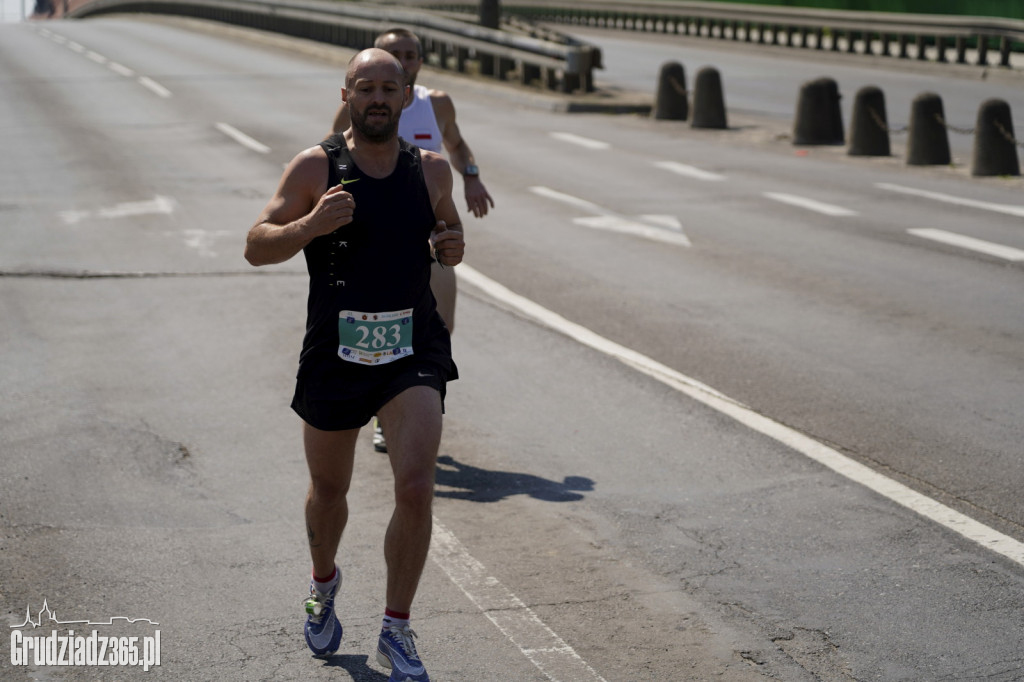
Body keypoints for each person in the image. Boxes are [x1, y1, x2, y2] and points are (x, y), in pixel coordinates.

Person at [245, 48, 465, 682]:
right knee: (330, 494)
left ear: (405, 96)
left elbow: (448, 237)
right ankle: (324, 581)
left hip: (411, 347)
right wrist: (311, 224)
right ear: (346, 93)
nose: (376, 97)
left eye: (387, 88)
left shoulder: (430, 171)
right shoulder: (317, 166)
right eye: (364, 86)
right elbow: (256, 245)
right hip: (336, 351)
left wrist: (451, 244)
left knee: (417, 486)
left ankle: (396, 629)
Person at [332, 27, 493, 454]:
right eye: (392, 53)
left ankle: (413, 407)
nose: (403, 59)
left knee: (440, 327)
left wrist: (472, 179)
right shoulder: (366, 105)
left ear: (419, 62)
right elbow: (337, 156)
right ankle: (388, 416)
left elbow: (457, 145)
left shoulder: (436, 103)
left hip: (429, 241)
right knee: (383, 330)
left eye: (409, 54)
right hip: (380, 243)